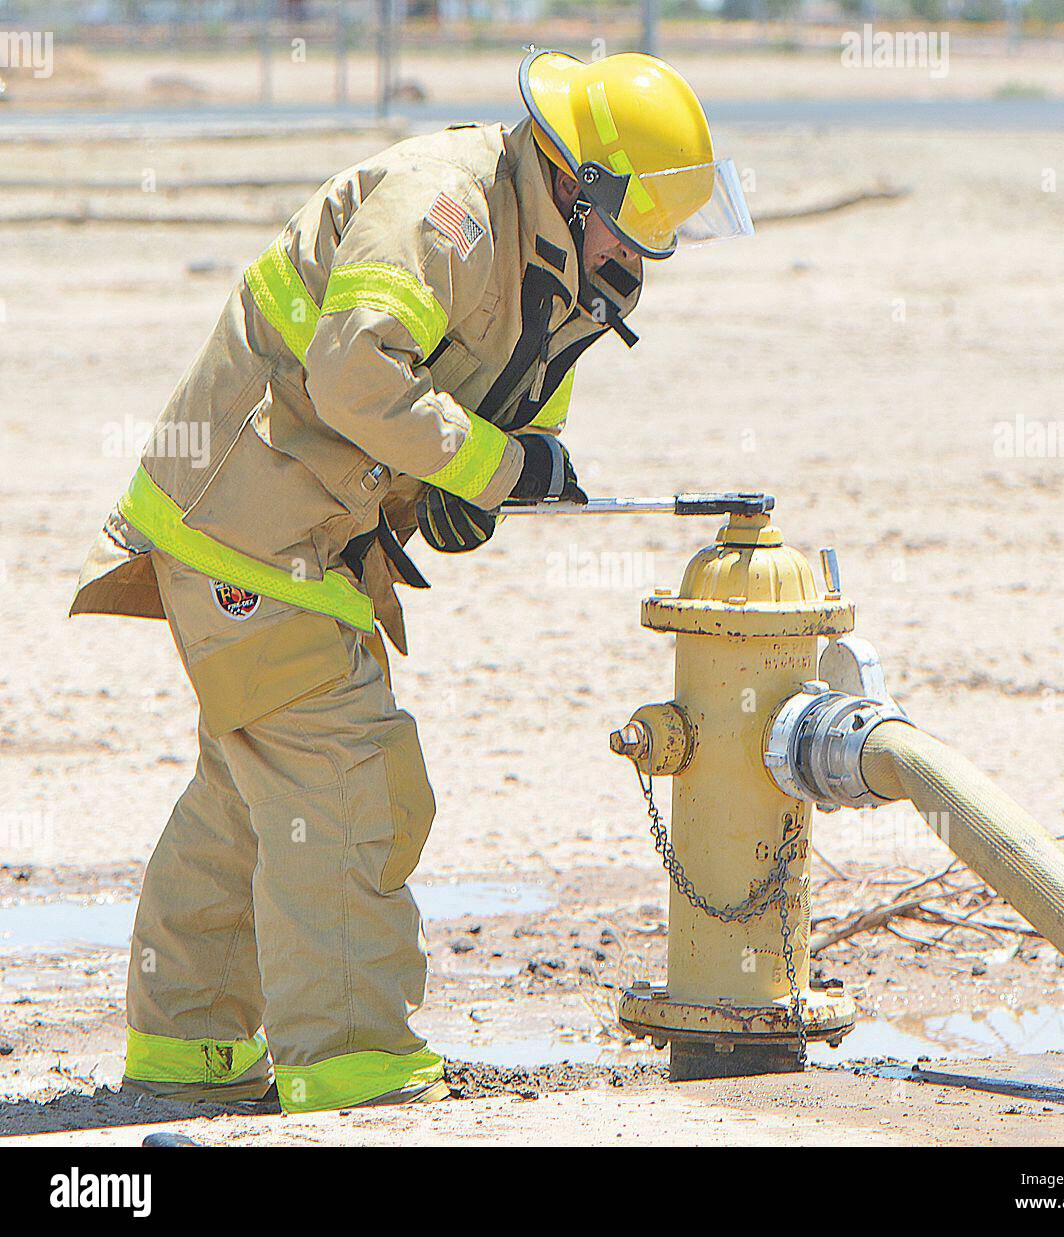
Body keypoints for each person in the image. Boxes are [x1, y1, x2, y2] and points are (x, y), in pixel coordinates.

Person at [69, 48, 752, 1114]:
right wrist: (488, 464)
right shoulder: (451, 206)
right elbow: (351, 367)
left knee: (250, 795)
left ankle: (188, 1045)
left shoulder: (565, 250)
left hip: (288, 526)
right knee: (345, 775)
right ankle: (351, 1058)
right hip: (246, 518)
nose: (641, 253)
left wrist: (491, 477)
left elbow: (524, 381)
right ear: (581, 186)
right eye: (634, 225)